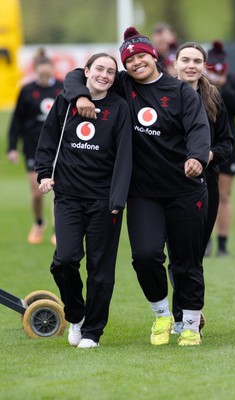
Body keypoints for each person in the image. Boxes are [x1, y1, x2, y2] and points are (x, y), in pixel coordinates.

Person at [62, 27, 211, 347]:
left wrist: (197, 157)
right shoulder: (122, 85)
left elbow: (198, 127)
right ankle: (161, 315)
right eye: (129, 59)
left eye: (142, 55)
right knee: (145, 256)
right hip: (143, 193)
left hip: (185, 190)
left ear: (153, 56)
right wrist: (81, 95)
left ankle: (190, 322)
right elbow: (75, 76)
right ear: (125, 65)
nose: (136, 62)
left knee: (186, 261)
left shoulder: (180, 90)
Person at [34, 53, 132, 349]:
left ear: (115, 78)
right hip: (68, 196)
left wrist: (117, 198)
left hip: (104, 201)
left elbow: (125, 155)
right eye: (99, 69)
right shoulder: (67, 101)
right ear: (86, 71)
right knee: (64, 261)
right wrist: (43, 174)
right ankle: (75, 315)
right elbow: (49, 138)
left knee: (100, 270)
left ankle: (92, 332)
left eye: (111, 72)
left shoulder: (120, 108)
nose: (104, 75)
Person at [170, 41, 234, 334]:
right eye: (185, 59)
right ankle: (180, 313)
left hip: (203, 185)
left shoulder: (214, 98)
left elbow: (227, 144)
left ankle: (187, 316)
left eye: (197, 60)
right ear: (175, 63)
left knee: (191, 254)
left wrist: (207, 155)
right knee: (168, 253)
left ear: (204, 65)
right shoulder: (160, 95)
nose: (191, 65)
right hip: (164, 185)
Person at [7, 50, 63, 245]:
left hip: (58, 147)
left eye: (48, 74)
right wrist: (12, 147)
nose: (44, 78)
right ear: (36, 71)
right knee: (37, 192)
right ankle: (39, 222)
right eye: (41, 75)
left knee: (58, 191)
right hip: (33, 146)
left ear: (53, 71)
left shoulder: (62, 88)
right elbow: (17, 121)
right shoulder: (27, 90)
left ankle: (58, 230)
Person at [204, 40, 235, 256]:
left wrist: (223, 86)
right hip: (201, 145)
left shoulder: (233, 81)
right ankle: (205, 241)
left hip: (226, 145)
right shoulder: (198, 83)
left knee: (224, 195)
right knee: (201, 195)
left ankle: (222, 245)